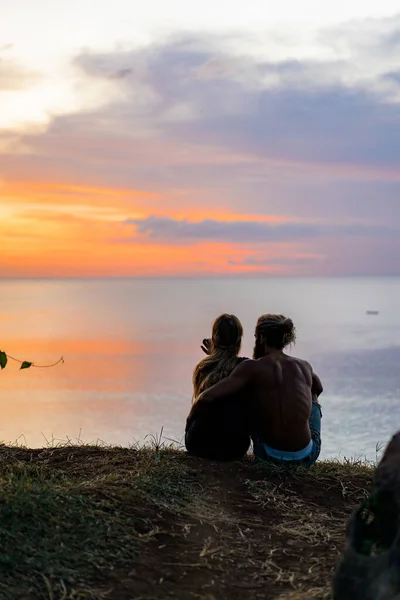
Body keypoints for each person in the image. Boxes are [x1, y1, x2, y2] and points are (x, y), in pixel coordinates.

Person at [194, 314, 323, 467]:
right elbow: (318, 389)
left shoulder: (252, 368)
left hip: (267, 455)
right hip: (305, 458)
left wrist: (216, 356)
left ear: (261, 338)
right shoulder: (304, 366)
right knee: (312, 395)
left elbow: (208, 396)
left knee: (251, 390)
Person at [185, 314, 251, 461]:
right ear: (239, 340)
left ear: (214, 338)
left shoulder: (204, 368)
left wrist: (213, 356)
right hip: (235, 447)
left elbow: (203, 403)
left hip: (198, 444)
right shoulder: (246, 368)